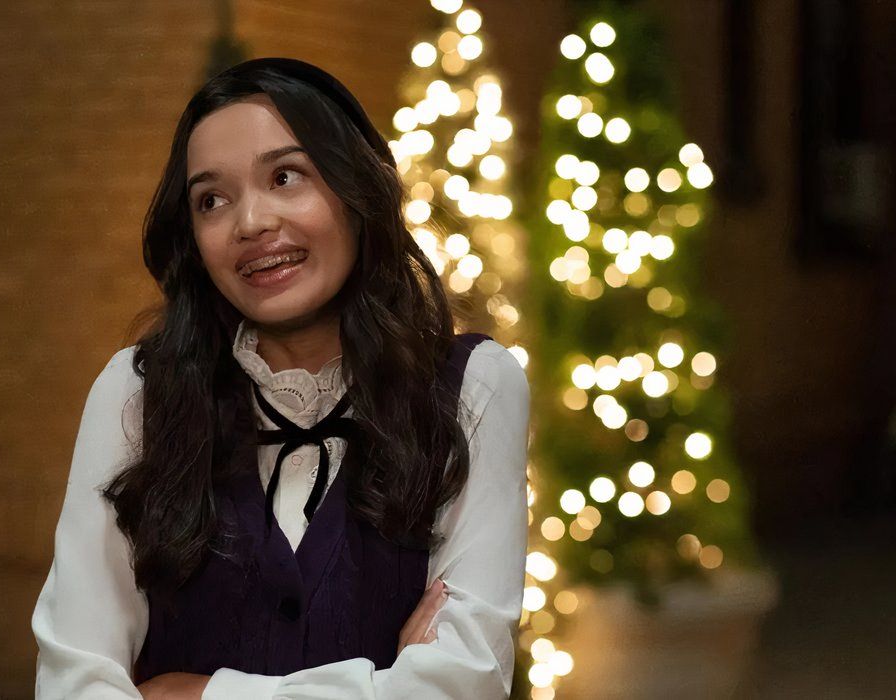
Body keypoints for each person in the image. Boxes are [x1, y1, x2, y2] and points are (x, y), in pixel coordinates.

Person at [31, 57, 530, 699]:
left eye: (286, 176)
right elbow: (74, 684)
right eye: (212, 199)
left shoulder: (475, 387)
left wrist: (191, 695)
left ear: (359, 191)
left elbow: (462, 687)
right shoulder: (137, 394)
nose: (250, 223)